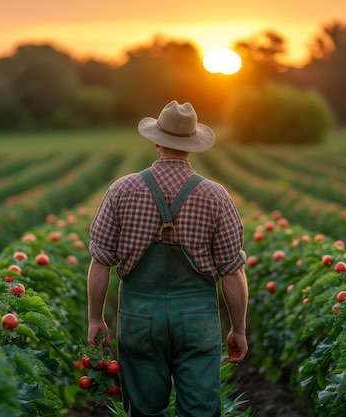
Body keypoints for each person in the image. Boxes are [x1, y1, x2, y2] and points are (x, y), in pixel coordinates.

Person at [87, 100, 249, 417]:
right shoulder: (215, 195)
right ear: (192, 146)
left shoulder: (122, 190)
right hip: (196, 318)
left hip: (138, 317)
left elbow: (100, 261)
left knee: (145, 411)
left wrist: (96, 318)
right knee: (200, 411)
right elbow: (232, 272)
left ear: (157, 141)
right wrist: (238, 329)